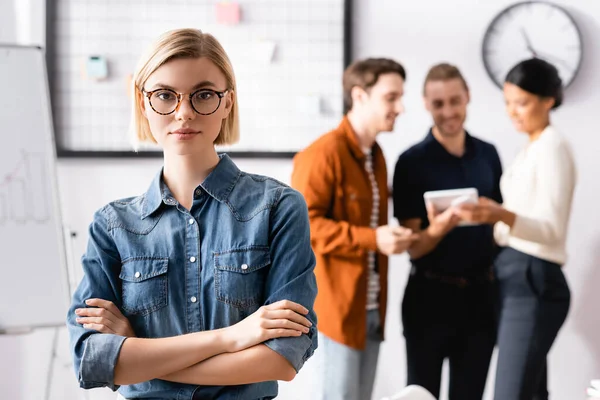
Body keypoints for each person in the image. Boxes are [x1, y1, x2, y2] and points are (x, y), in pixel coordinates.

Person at [66, 28, 318, 400]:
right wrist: (231, 337)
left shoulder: (278, 208)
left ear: (227, 103)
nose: (183, 113)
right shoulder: (112, 226)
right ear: (143, 103)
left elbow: (282, 359)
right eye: (165, 95)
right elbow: (93, 361)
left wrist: (138, 351)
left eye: (203, 95)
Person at [291, 58, 417, 400]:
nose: (400, 108)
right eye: (391, 97)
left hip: (371, 307)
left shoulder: (376, 155)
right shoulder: (322, 154)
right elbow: (305, 228)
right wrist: (374, 238)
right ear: (359, 96)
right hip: (337, 311)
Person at [457, 58, 575, 400]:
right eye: (508, 102)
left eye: (521, 103)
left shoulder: (553, 146)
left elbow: (551, 230)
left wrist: (500, 215)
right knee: (530, 391)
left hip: (532, 279)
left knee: (510, 393)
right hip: (515, 277)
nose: (513, 112)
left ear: (548, 100)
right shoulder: (533, 147)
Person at [392, 63, 503, 399]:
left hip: (482, 299)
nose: (449, 111)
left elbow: (498, 223)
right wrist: (440, 227)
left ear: (468, 97)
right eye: (439, 104)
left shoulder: (488, 154)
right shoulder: (411, 162)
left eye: (456, 101)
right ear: (426, 104)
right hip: (429, 300)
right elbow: (415, 247)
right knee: (421, 396)